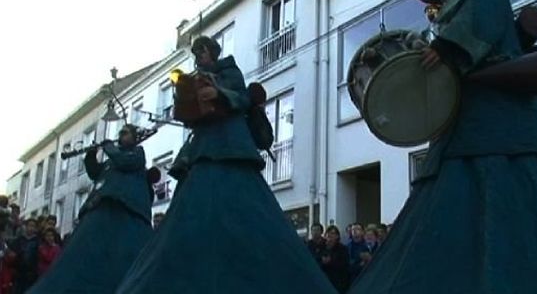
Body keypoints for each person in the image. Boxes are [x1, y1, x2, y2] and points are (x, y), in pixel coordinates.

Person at [348, 0, 537, 294]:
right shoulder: (459, 1)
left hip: (496, 108)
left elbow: (480, 26)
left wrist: (448, 48)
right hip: (467, 112)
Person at [116, 36, 336, 294]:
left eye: (202, 51)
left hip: (229, 142)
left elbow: (241, 98)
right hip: (204, 145)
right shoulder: (196, 76)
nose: (199, 57)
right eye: (196, 53)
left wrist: (218, 93)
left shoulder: (229, 71)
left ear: (212, 51)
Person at [29, 124, 154, 294]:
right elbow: (96, 173)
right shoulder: (111, 161)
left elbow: (127, 162)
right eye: (120, 132)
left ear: (133, 137)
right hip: (100, 202)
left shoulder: (137, 153)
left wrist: (108, 147)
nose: (121, 136)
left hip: (124, 204)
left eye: (125, 133)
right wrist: (90, 156)